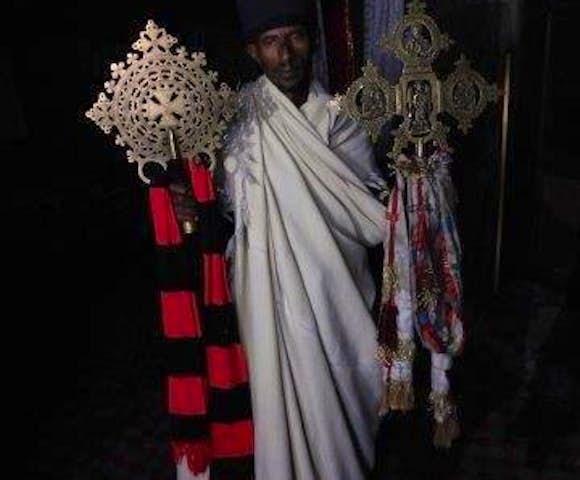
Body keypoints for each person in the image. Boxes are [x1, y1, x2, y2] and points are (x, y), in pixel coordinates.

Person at [172, 1, 388, 478]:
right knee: (274, 405)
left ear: (311, 42)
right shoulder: (235, 123)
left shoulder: (341, 119)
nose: (286, 53)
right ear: (254, 51)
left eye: (296, 37)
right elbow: (226, 212)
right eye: (272, 42)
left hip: (336, 298)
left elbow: (369, 214)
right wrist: (192, 204)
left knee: (343, 408)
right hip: (264, 298)